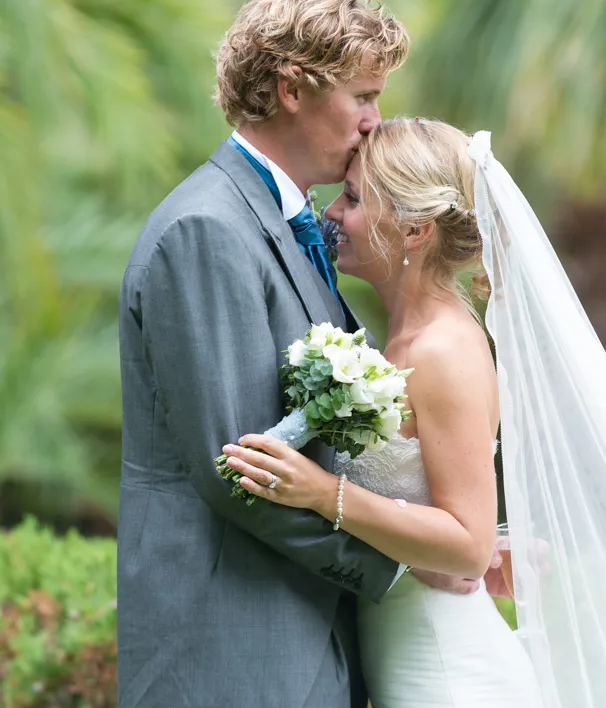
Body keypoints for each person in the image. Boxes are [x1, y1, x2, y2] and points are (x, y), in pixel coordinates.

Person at [116, 0, 504, 708]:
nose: (372, 121)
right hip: (232, 648)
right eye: (363, 96)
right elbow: (240, 470)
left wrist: (456, 542)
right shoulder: (209, 230)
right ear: (293, 88)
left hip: (307, 643)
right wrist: (401, 569)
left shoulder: (290, 228)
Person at [221, 117, 545, 707]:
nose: (332, 216)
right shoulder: (400, 340)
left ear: (415, 229)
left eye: (351, 199)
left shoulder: (444, 350)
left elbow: (465, 545)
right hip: (400, 657)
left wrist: (322, 493)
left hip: (449, 675)